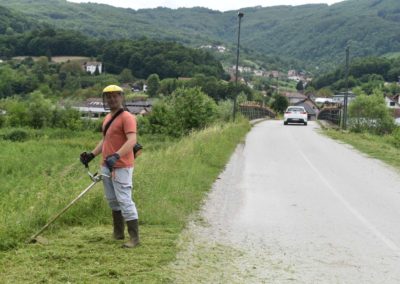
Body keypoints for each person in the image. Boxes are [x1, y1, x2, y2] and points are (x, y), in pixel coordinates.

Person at [80, 84, 139, 248]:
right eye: (109, 96)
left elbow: (132, 140)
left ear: (121, 97)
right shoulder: (107, 118)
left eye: (115, 96)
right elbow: (106, 141)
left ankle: (134, 238)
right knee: (112, 200)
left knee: (124, 200)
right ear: (105, 99)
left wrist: (117, 155)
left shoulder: (127, 117)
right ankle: (118, 233)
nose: (112, 99)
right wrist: (91, 155)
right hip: (106, 165)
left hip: (121, 166)